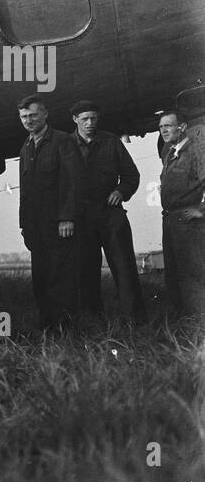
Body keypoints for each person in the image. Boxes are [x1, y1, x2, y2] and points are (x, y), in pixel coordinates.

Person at [68, 100, 144, 323]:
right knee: (85, 272)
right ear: (75, 120)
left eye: (93, 118)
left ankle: (135, 322)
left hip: (111, 214)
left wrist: (121, 192)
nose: (90, 123)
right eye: (84, 119)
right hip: (81, 218)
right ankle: (92, 321)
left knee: (125, 268)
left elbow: (131, 175)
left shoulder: (111, 142)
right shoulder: (65, 145)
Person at [16, 95, 81, 331]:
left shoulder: (63, 141)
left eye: (33, 115)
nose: (28, 120)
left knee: (60, 278)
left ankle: (66, 328)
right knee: (41, 279)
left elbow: (72, 182)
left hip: (58, 224)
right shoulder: (26, 146)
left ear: (45, 114)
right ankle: (47, 326)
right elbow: (25, 190)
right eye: (24, 117)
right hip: (35, 226)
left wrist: (67, 217)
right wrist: (24, 224)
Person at [157, 110, 205, 318]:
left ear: (182, 127)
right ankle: (183, 321)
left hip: (188, 224)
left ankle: (200, 323)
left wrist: (201, 210)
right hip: (170, 221)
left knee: (193, 274)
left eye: (168, 126)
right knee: (174, 274)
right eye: (161, 127)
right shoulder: (169, 152)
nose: (163, 130)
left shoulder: (197, 150)